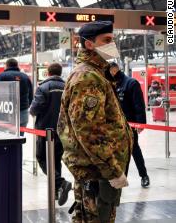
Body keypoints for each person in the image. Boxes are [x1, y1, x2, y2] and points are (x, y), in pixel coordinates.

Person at [57, 21, 133, 223]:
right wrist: (113, 170)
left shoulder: (97, 73)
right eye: (106, 40)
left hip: (97, 171)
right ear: (89, 44)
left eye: (112, 40)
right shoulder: (88, 77)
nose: (112, 45)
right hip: (97, 172)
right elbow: (90, 132)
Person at [30, 63, 72, 206]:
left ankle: (61, 183)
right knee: (56, 159)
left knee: (42, 157)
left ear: (47, 72)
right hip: (62, 130)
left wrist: (32, 110)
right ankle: (56, 190)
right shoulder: (68, 86)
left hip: (45, 130)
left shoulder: (43, 87)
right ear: (60, 73)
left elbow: (35, 109)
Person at [109, 62, 150, 187]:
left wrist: (140, 123)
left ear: (115, 70)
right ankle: (120, 178)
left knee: (134, 150)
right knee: (114, 152)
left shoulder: (131, 83)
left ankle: (144, 175)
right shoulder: (109, 84)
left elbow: (138, 104)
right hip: (113, 126)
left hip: (129, 125)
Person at [0, 58, 33, 133]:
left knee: (5, 138)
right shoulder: (25, 77)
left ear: (6, 66)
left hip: (5, 112)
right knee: (19, 138)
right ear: (17, 65)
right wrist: (26, 106)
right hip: (23, 112)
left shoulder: (1, 76)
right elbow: (31, 95)